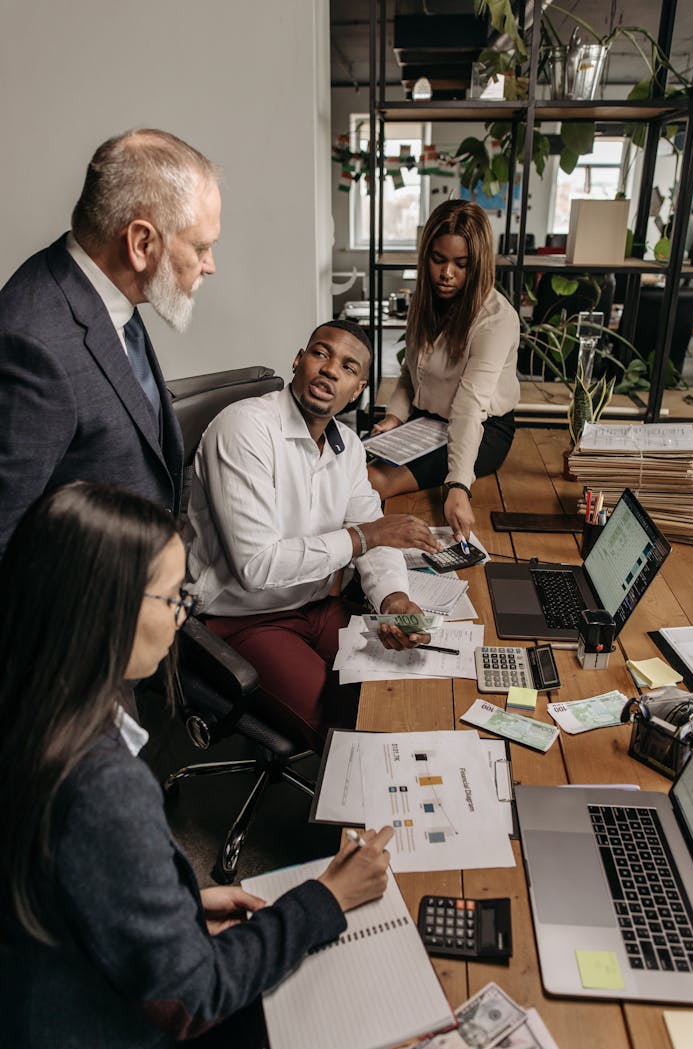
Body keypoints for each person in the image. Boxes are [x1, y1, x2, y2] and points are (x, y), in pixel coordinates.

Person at [0, 481, 393, 1049]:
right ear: (105, 608)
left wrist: (177, 908)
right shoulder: (103, 785)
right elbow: (192, 996)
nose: (184, 619)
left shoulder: (32, 713)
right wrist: (326, 899)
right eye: (173, 600)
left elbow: (68, 885)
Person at [186, 319, 442, 752]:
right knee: (352, 727)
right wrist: (364, 536)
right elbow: (257, 566)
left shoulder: (348, 447)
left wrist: (393, 598)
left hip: (317, 607)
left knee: (408, 683)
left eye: (347, 366)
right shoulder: (245, 428)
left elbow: (375, 540)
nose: (329, 370)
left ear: (357, 388)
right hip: (243, 620)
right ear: (298, 361)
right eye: (320, 354)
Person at [0, 128, 222, 554]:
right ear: (141, 243)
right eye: (200, 247)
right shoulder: (33, 345)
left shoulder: (110, 293)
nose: (210, 265)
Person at [368, 199, 521, 544]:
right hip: (424, 422)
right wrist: (394, 417)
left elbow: (468, 408)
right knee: (349, 466)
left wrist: (458, 486)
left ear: (478, 265)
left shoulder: (496, 319)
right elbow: (410, 373)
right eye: (438, 260)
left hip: (482, 428)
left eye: (460, 264)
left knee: (375, 480)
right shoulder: (424, 303)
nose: (446, 273)